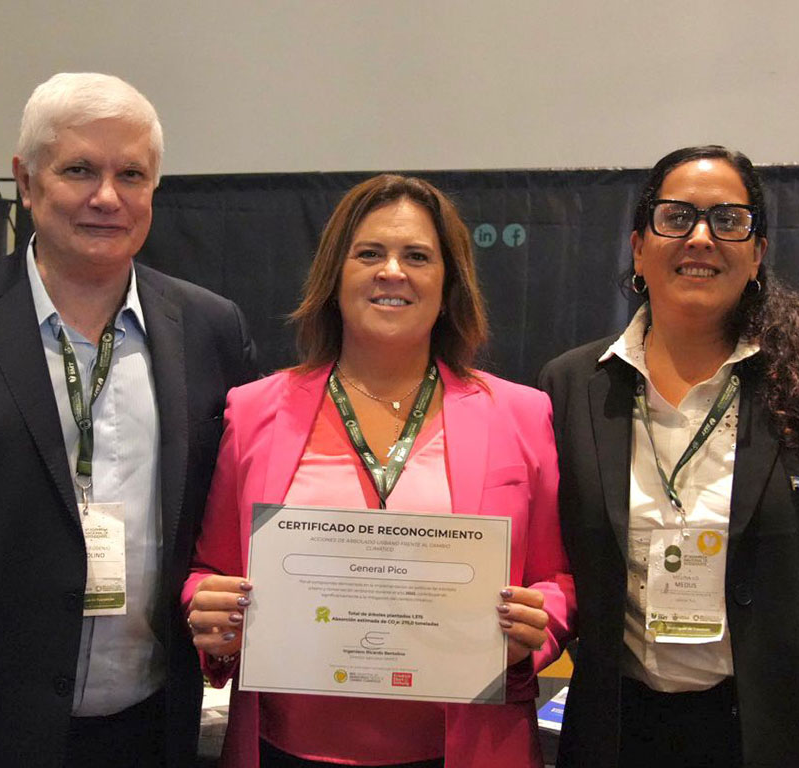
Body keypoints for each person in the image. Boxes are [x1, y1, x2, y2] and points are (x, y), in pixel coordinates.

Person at [0, 72, 257, 768]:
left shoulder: (211, 329)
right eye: (79, 170)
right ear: (26, 181)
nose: (107, 197)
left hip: (144, 734)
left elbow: (225, 528)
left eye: (132, 174)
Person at [183, 173, 575, 768]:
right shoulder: (255, 409)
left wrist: (538, 624)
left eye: (417, 256)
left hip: (465, 749)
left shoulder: (520, 414)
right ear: (334, 276)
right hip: (283, 749)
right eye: (369, 253)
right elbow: (210, 568)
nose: (392, 271)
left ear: (448, 283)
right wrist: (210, 609)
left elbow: (558, 577)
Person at [539, 145, 799, 767]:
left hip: (796, 730)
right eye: (676, 217)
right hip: (621, 730)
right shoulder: (571, 384)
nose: (700, 237)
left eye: (728, 220)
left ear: (758, 253)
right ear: (639, 248)